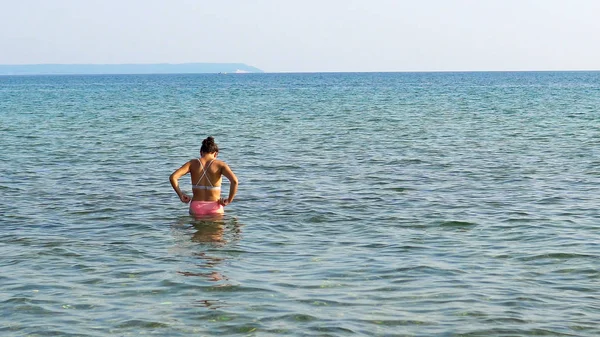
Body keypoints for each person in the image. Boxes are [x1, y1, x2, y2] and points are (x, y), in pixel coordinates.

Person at [170, 136, 238, 216]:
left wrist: (181, 195)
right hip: (215, 207)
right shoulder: (220, 165)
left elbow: (173, 177)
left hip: (196, 207)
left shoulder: (192, 163)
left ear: (201, 152)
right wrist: (229, 200)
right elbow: (234, 181)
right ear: (216, 154)